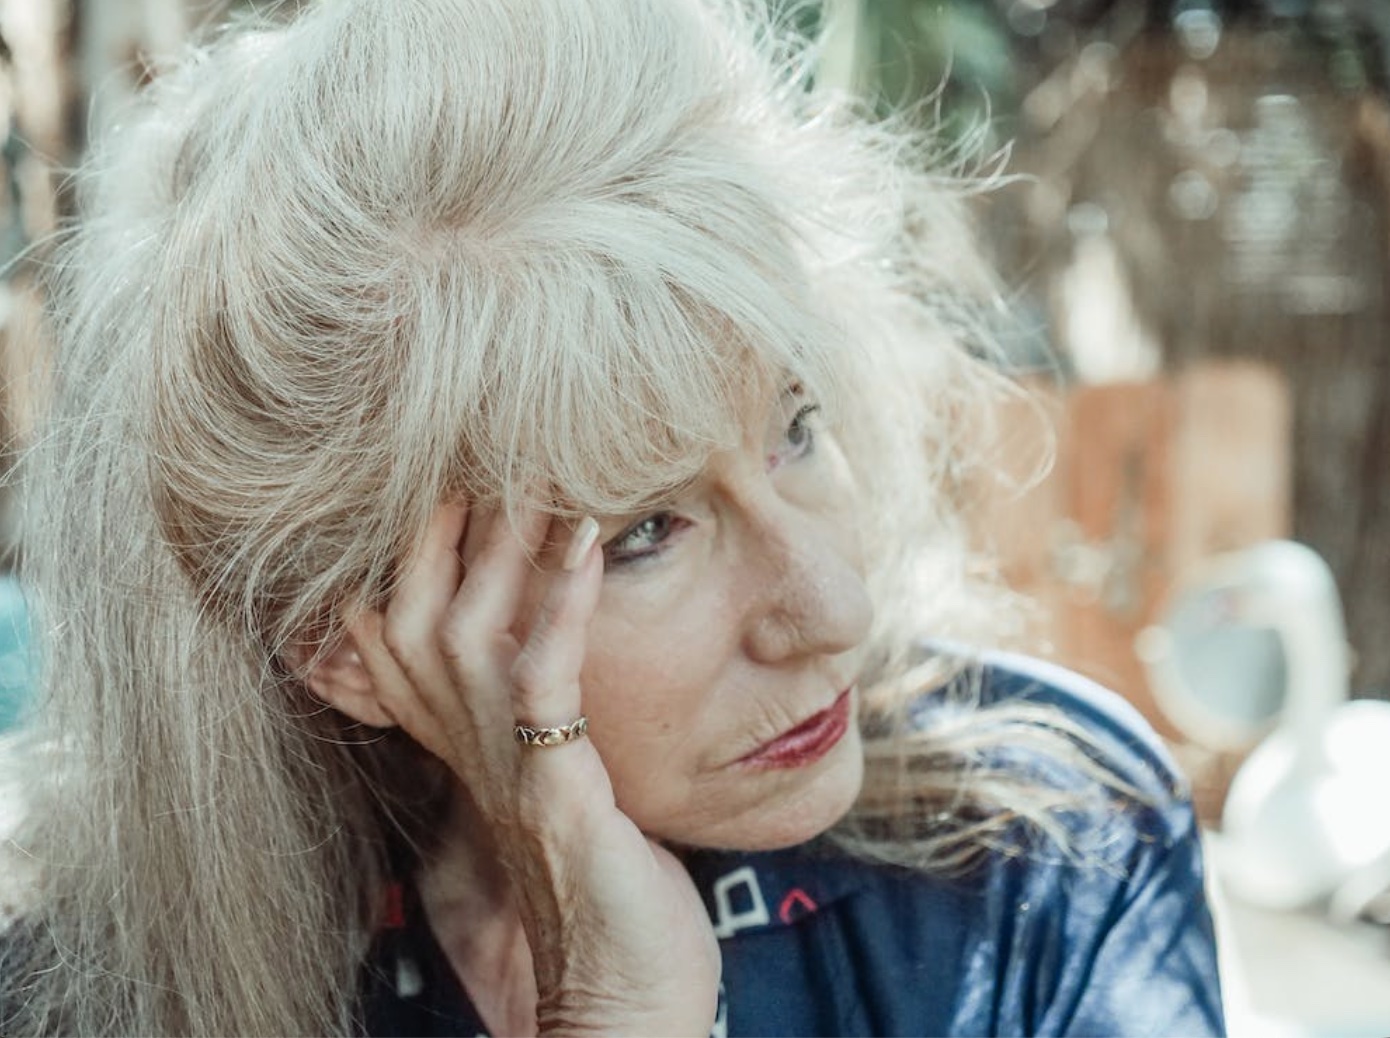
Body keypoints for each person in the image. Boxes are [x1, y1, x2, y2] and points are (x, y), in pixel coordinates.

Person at [0, 0, 1224, 1034]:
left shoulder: (1049, 836)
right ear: (344, 645)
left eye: (793, 428)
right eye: (643, 531)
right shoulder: (101, 983)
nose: (831, 608)